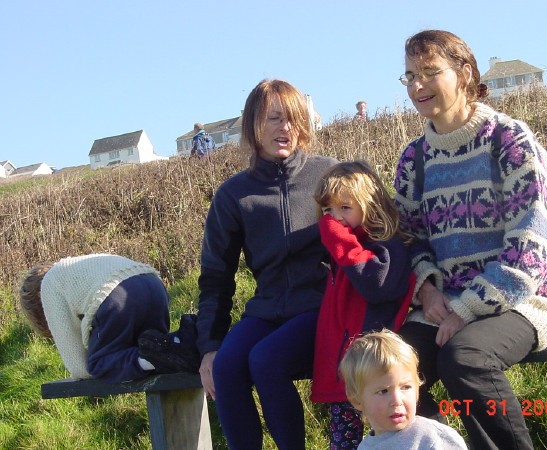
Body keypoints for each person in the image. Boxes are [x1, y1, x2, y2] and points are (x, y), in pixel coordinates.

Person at [393, 29, 547, 449]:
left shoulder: (507, 140)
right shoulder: (413, 160)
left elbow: (535, 241)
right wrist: (426, 291)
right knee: (393, 368)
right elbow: (408, 238)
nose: (417, 85)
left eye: (429, 71)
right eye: (409, 75)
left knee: (464, 359)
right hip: (445, 302)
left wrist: (467, 307)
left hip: (529, 292)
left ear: (463, 74)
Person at [195, 79, 338, 449]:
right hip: (268, 309)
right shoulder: (234, 195)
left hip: (322, 306)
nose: (285, 128)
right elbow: (216, 276)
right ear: (253, 125)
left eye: (292, 119)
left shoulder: (330, 175)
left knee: (265, 360)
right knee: (227, 367)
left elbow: (373, 238)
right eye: (275, 119)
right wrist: (210, 345)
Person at [310, 160, 416, 449]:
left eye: (345, 208)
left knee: (393, 435)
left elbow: (376, 284)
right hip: (349, 365)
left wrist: (338, 240)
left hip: (374, 365)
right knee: (344, 440)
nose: (335, 219)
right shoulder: (348, 243)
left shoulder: (382, 241)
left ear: (369, 205)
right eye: (328, 210)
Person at [18, 253, 200, 384]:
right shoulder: (77, 268)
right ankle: (184, 339)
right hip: (154, 286)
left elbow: (79, 368)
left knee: (98, 364)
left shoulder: (50, 285)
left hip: (117, 297)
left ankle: (153, 358)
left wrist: (97, 355)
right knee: (156, 343)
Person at [339, 329, 468, 449]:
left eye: (405, 387)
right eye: (383, 391)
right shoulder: (365, 447)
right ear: (357, 400)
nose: (397, 400)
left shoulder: (431, 437)